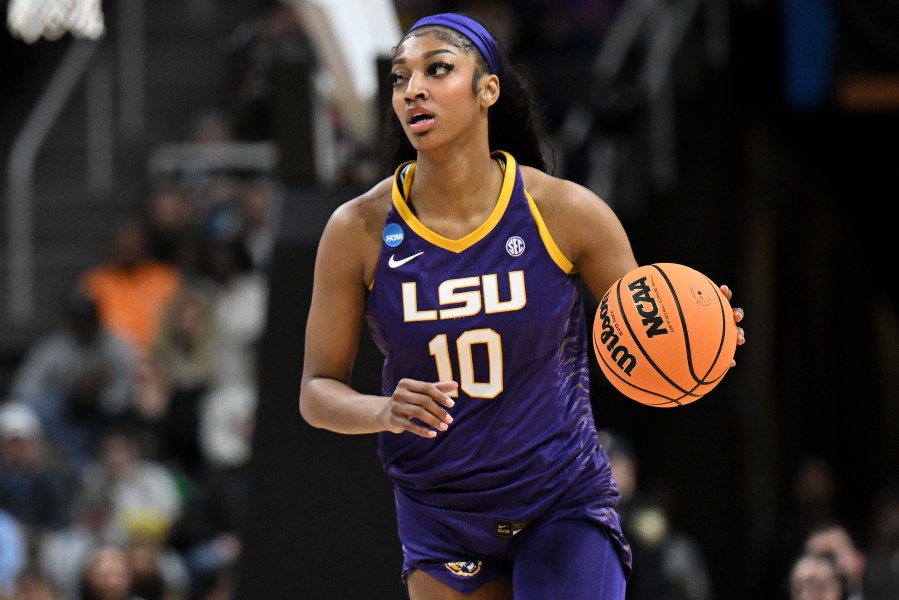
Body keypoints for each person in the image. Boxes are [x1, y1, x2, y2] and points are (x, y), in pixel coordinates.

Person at [297, 12, 745, 600]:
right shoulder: (357, 228)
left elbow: (645, 325)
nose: (414, 90)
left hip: (557, 495)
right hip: (440, 506)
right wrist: (383, 410)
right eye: (401, 78)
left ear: (488, 90)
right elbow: (315, 392)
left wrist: (701, 335)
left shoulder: (565, 212)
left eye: (438, 70)